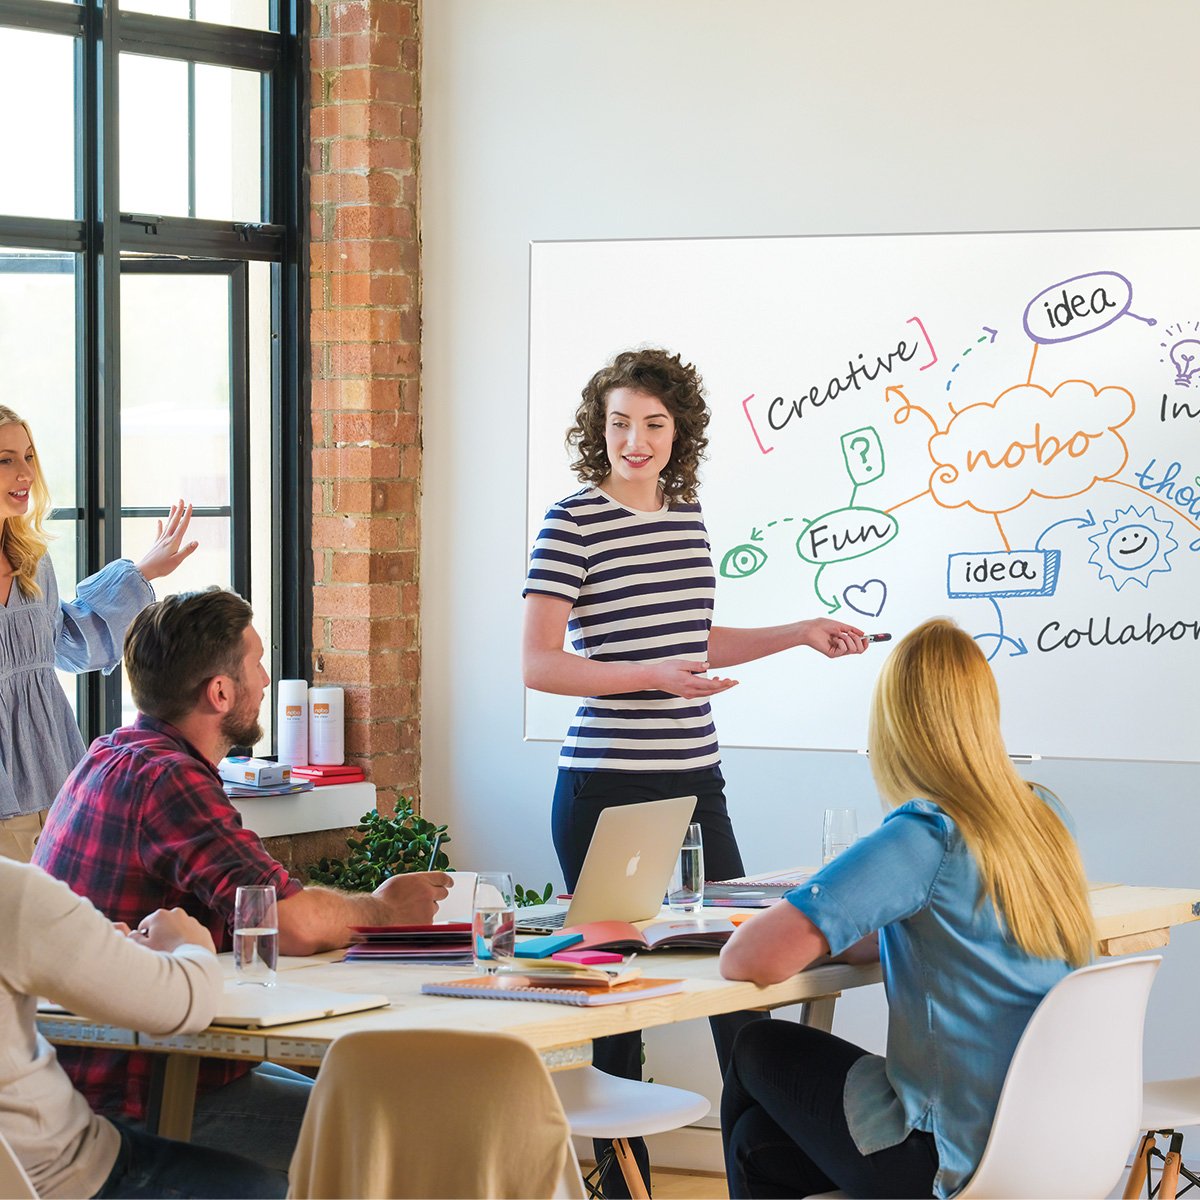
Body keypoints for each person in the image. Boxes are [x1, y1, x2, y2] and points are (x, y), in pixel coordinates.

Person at [522, 347, 869, 1192]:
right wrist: (651, 676)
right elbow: (539, 664)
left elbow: (693, 640)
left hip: (696, 777)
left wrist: (796, 631)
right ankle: (621, 1181)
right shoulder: (572, 521)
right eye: (618, 424)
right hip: (605, 785)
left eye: (653, 424)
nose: (634, 441)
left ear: (680, 433)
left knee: (738, 978)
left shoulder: (687, 520)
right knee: (621, 997)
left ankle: (760, 1173)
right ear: (595, 429)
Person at [34, 587, 452, 1173]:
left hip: (112, 1065)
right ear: (220, 691)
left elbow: (256, 901)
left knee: (357, 1089)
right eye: (256, 663)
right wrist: (385, 910)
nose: (263, 679)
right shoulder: (169, 780)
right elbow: (290, 921)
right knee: (401, 1136)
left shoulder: (111, 754)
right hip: (133, 1093)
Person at [718, 618, 1096, 1199]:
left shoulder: (925, 834)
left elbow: (749, 960)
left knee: (757, 1046)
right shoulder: (1043, 816)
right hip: (1047, 1143)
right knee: (755, 1141)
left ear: (897, 723)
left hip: (949, 1156)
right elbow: (961, 930)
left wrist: (812, 919)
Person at [1, 857, 286, 1198]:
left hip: (33, 1166)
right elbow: (185, 1003)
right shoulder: (13, 891)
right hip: (67, 1175)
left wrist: (105, 954)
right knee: (277, 1187)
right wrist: (191, 943)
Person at [0, 404, 198, 862]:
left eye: (28, 456)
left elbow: (67, 641)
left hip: (54, 772)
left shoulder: (32, 562)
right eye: (5, 459)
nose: (25, 472)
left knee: (56, 923)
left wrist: (142, 571)